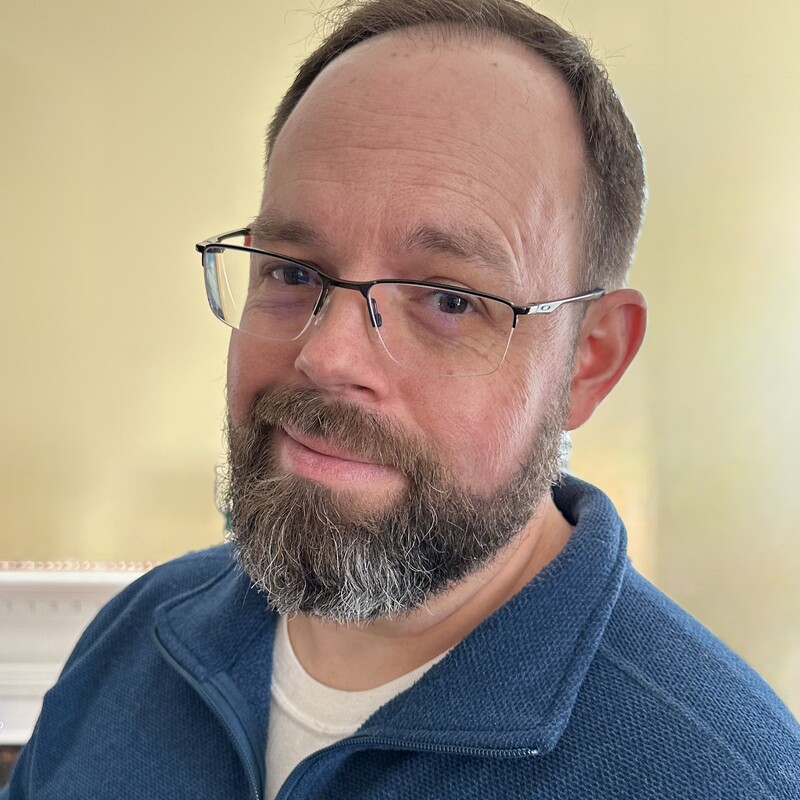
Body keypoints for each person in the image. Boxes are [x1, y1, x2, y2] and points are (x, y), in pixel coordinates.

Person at [4, 1, 798, 797]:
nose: (326, 356)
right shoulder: (131, 644)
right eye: (291, 271)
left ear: (589, 363)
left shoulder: (720, 777)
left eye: (449, 301)